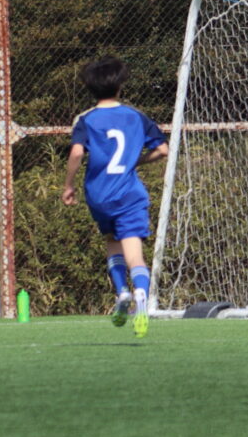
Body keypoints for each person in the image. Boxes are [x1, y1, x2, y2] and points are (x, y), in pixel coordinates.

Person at [62, 57, 169, 337]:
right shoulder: (136, 116)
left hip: (99, 195)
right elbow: (163, 150)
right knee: (135, 255)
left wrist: (68, 185)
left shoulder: (86, 119)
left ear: (90, 88)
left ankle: (122, 292)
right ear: (120, 86)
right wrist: (137, 161)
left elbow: (76, 152)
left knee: (112, 242)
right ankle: (141, 294)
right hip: (129, 194)